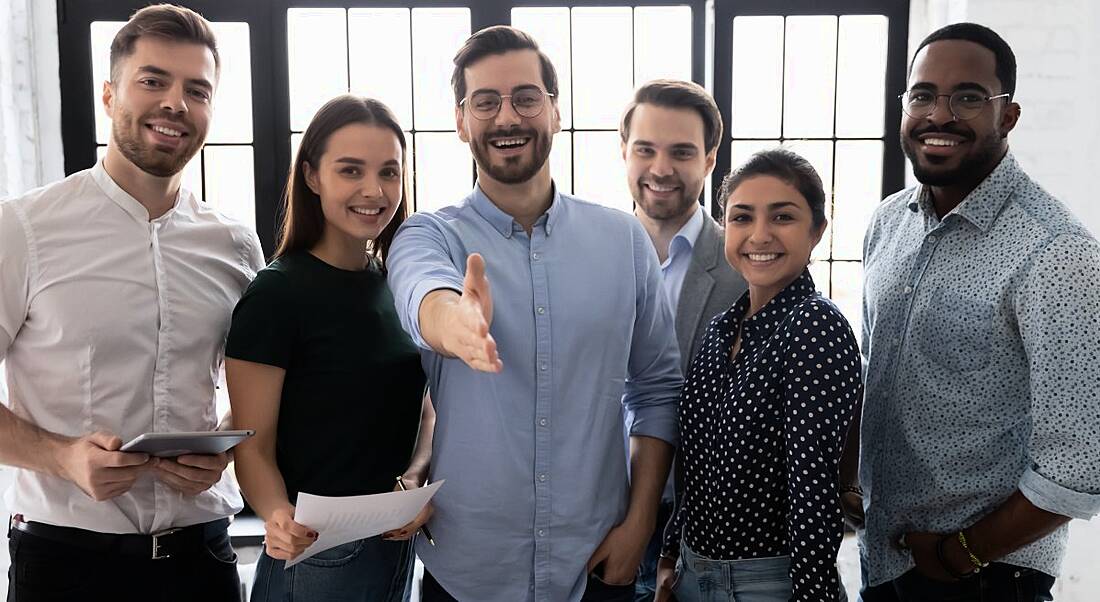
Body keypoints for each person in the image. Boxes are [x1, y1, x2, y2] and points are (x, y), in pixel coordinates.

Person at [385, 26, 682, 602]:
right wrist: (459, 324)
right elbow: (423, 296)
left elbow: (657, 391)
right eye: (485, 102)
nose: (506, 118)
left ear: (555, 110)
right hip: (468, 570)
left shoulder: (622, 239)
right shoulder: (429, 233)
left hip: (595, 563)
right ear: (461, 120)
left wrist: (641, 522)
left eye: (525, 98)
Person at [0, 5, 263, 600]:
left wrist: (222, 444)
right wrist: (62, 457)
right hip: (65, 563)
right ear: (108, 93)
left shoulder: (237, 245)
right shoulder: (22, 229)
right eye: (153, 81)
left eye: (197, 90)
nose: (175, 103)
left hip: (203, 557)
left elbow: (257, 389)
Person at [856, 23, 1100, 601]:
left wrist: (960, 554)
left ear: (1008, 116)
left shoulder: (1056, 252)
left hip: (983, 576)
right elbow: (875, 372)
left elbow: (1081, 462)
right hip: (885, 558)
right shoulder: (888, 222)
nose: (939, 115)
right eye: (922, 95)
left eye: (967, 97)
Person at [225, 95, 432, 602]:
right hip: (314, 554)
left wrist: (413, 484)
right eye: (350, 170)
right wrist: (277, 516)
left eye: (389, 172)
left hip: (392, 546)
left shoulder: (395, 284)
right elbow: (251, 444)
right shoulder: (277, 293)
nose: (374, 190)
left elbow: (421, 409)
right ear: (313, 177)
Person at [655, 149, 862, 602]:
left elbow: (813, 490)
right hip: (692, 574)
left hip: (768, 586)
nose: (759, 235)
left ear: (817, 230)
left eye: (783, 217)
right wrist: (670, 558)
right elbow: (695, 461)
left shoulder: (815, 326)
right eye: (742, 218)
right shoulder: (722, 328)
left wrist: (811, 597)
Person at [618, 79, 747, 601]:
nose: (661, 169)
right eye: (645, 149)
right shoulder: (586, 256)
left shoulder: (747, 269)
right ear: (623, 151)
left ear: (711, 158)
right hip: (594, 514)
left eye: (682, 152)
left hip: (701, 530)